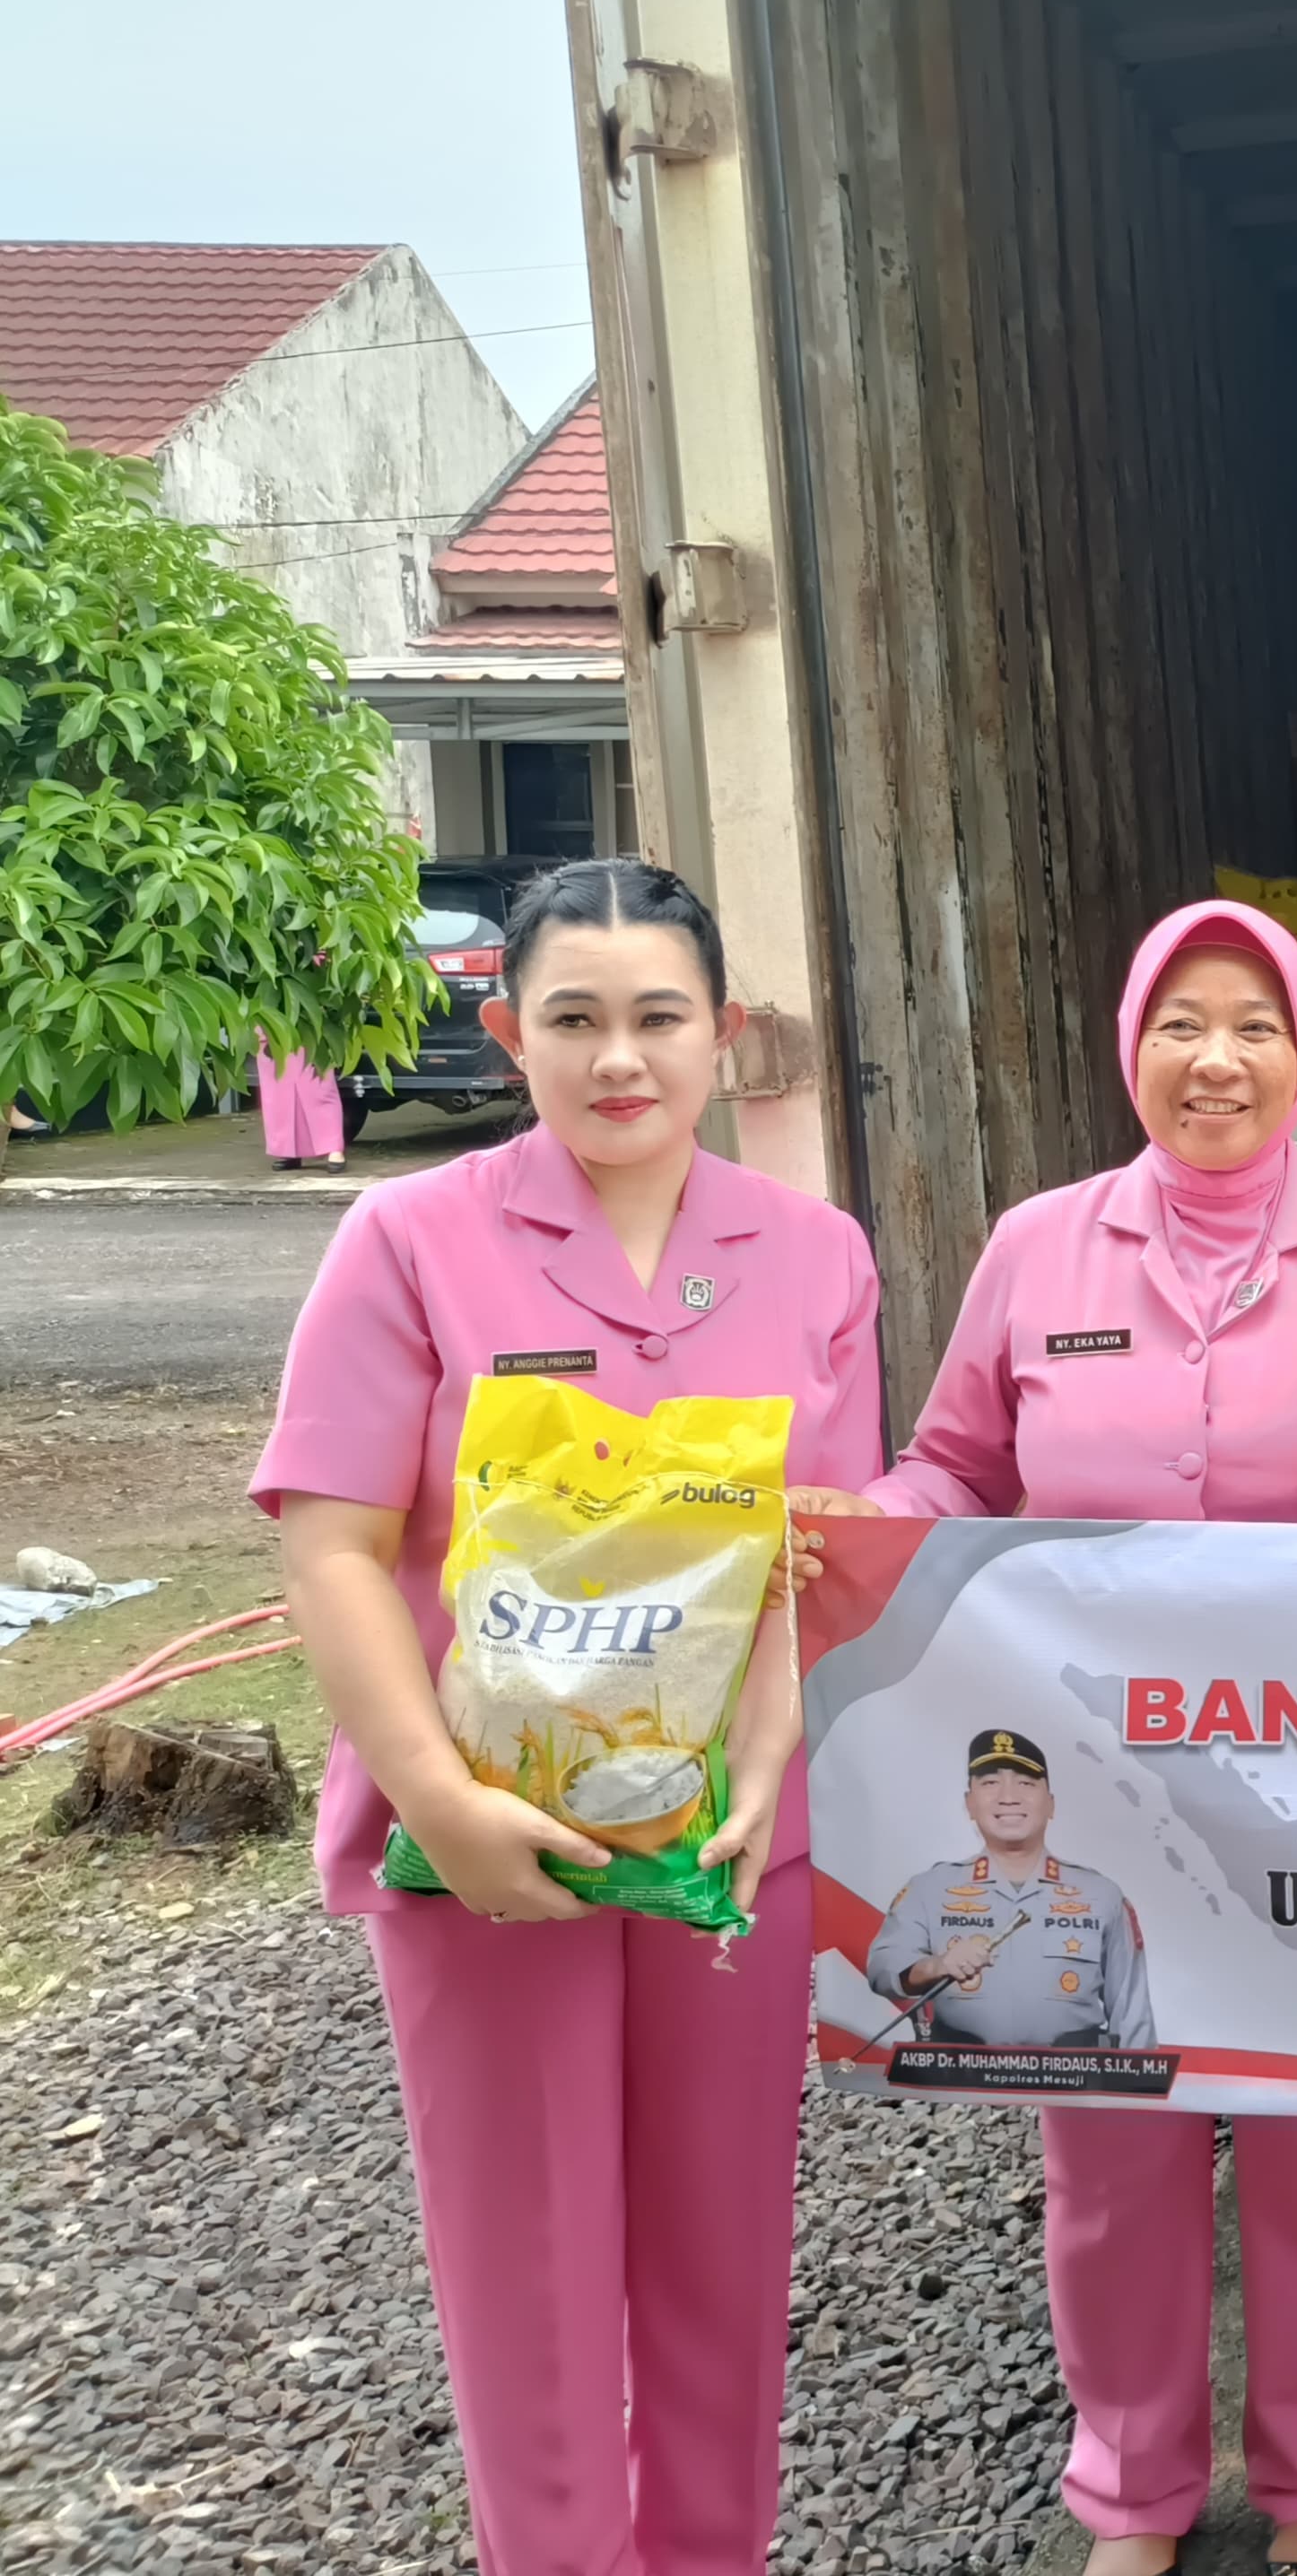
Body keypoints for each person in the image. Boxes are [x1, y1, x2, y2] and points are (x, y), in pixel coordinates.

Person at [798, 893, 1297, 2576]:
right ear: (1131, 1047)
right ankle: (1130, 2492)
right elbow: (952, 1466)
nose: (1215, 1059)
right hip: (1079, 1787)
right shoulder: (1042, 1247)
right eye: (1181, 1022)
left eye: (1253, 1024)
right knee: (1106, 2148)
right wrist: (863, 1529)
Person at [256, 857, 887, 2576]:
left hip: (730, 1843)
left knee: (718, 2249)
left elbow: (805, 1554)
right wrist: (437, 1802)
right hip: (489, 1835)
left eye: (659, 1018)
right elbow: (332, 1540)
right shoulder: (410, 1238)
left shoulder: (812, 1252)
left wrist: (769, 1767)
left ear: (725, 1035)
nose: (622, 1059)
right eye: (576, 1020)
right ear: (506, 1031)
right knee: (528, 2271)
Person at [867, 1730, 1155, 2049]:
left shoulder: (1101, 1894)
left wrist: (1138, 2090)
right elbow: (882, 1970)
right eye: (990, 1783)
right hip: (960, 2082)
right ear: (969, 1804)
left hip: (1073, 2080)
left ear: (1051, 1805)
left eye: (1026, 1783)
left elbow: (1132, 2013)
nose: (1008, 1796)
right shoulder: (929, 1888)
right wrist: (936, 1965)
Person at [254, 1036, 346, 1172]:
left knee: (318, 1089)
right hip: (270, 1028)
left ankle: (333, 1147)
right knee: (279, 1094)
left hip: (308, 1026)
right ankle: (288, 1150)